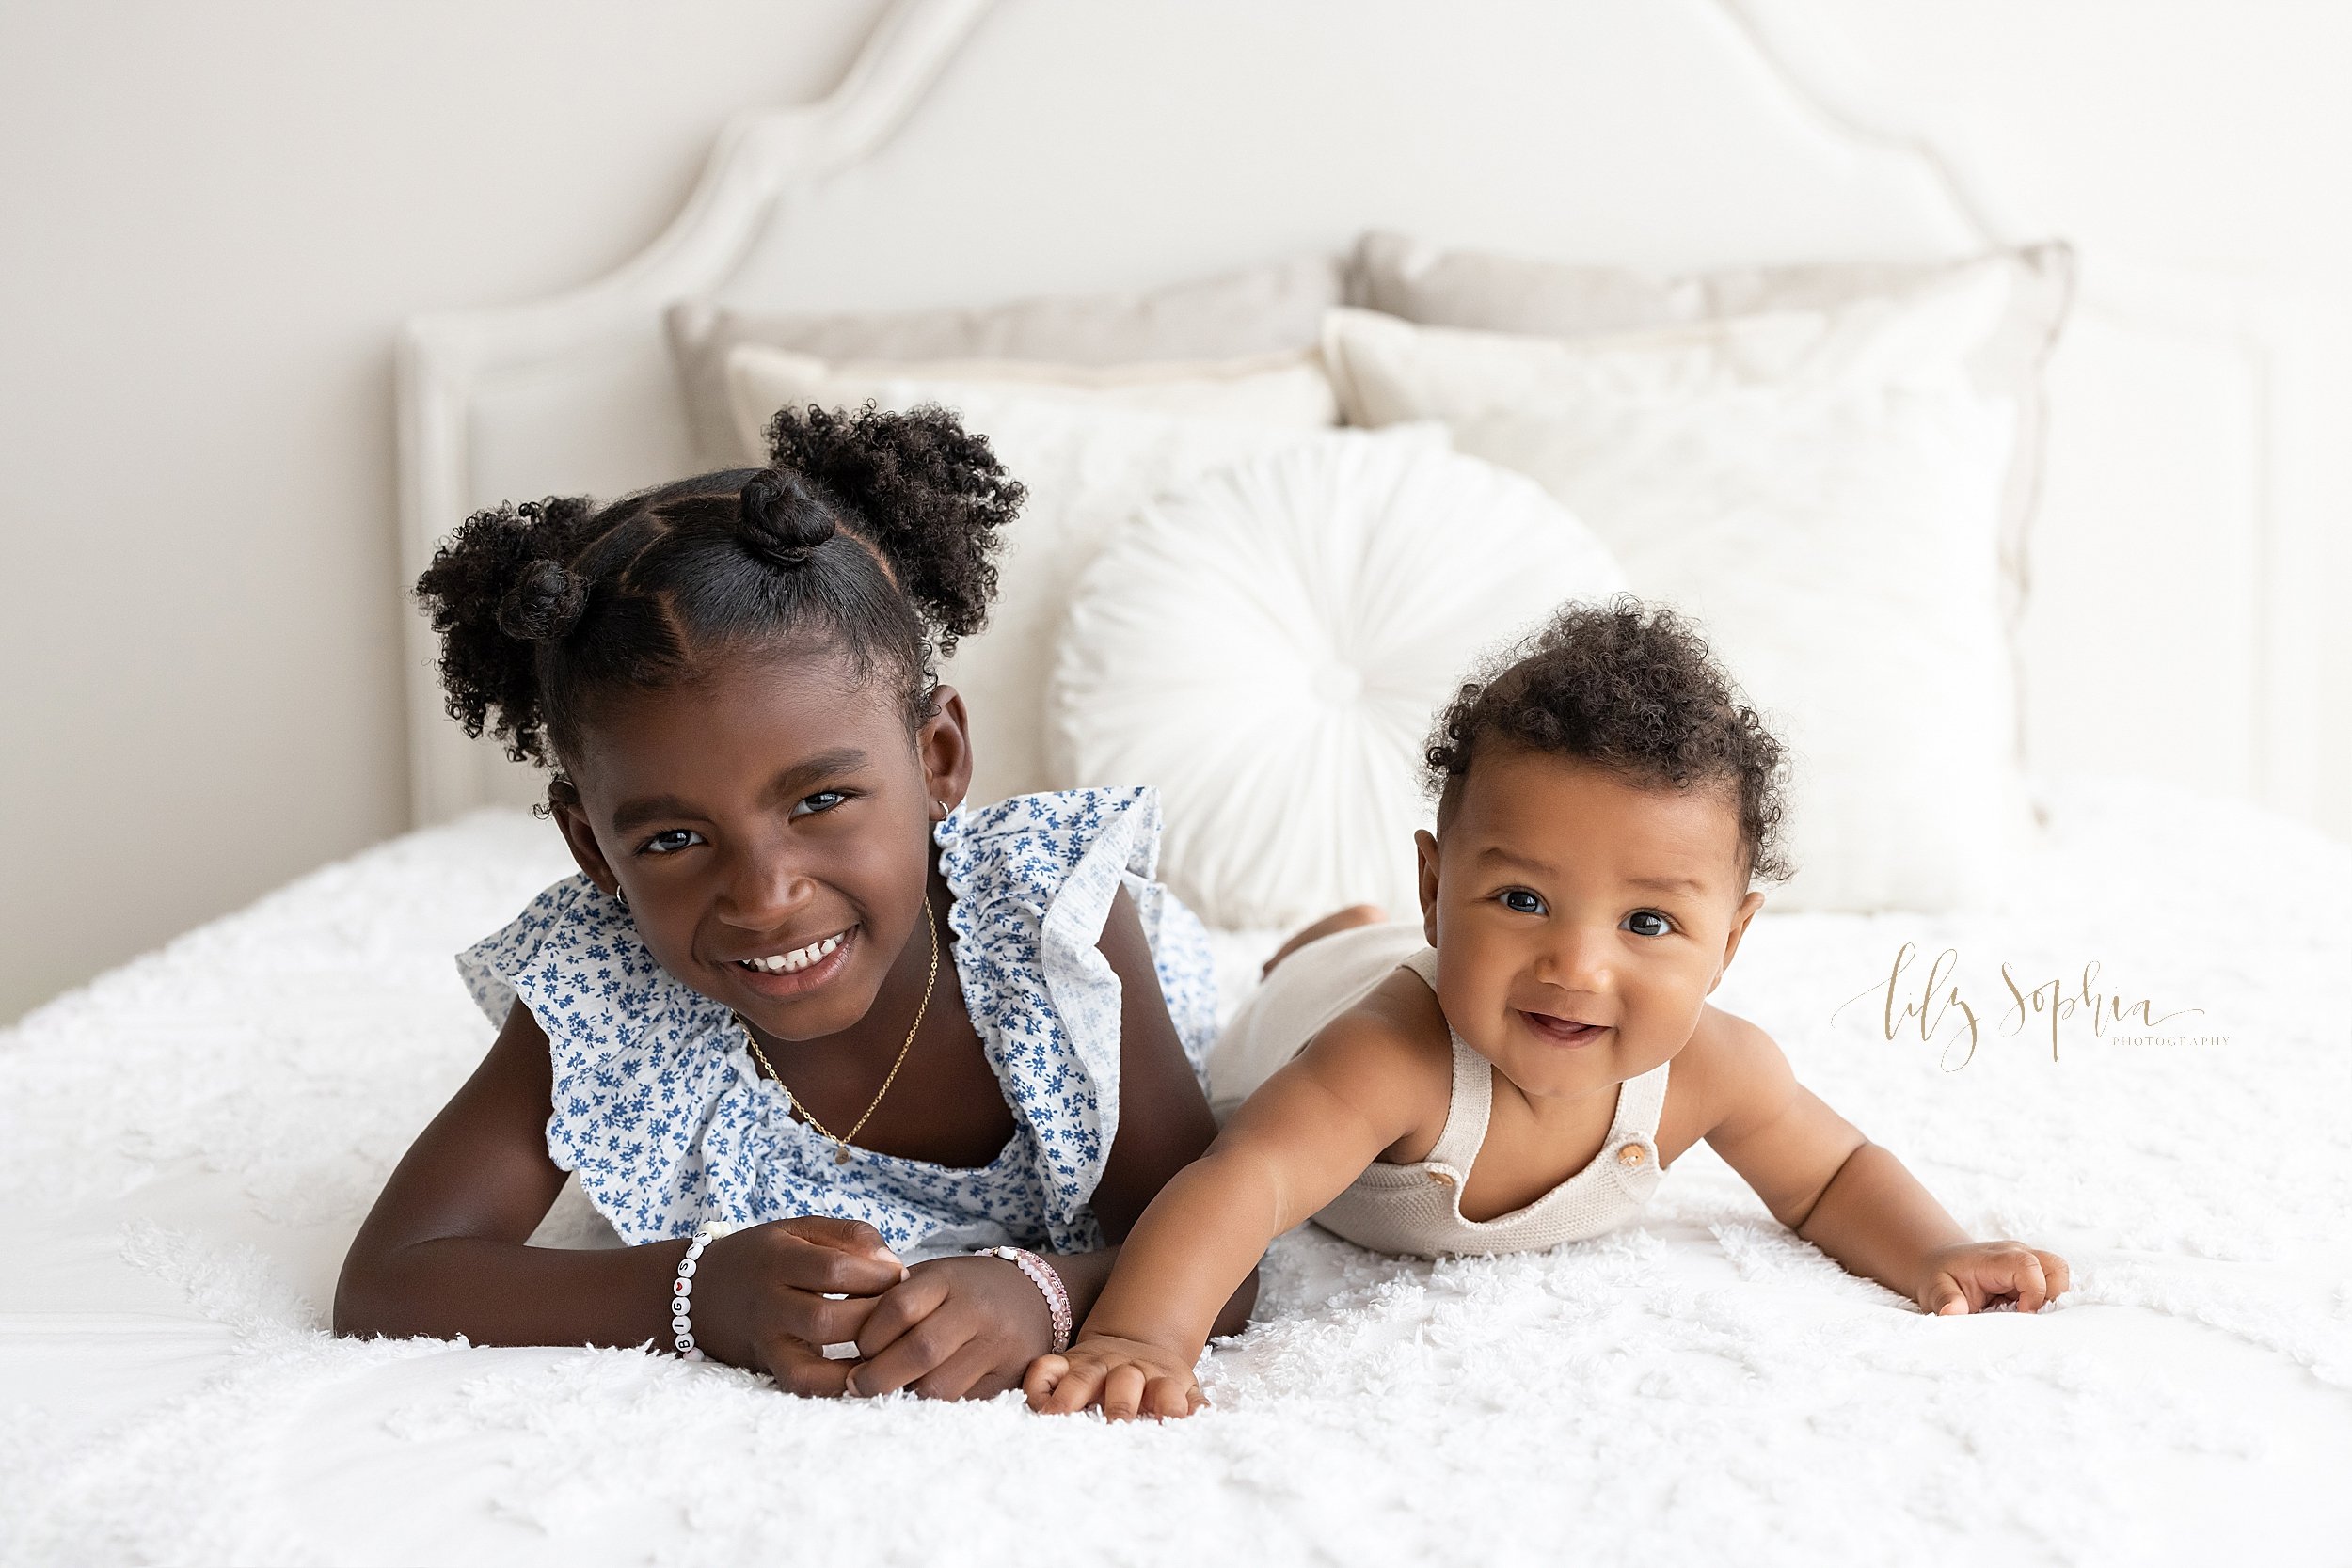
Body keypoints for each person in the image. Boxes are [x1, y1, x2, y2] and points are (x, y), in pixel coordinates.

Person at [334, 403, 1252, 1401]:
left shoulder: (1054, 922)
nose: (766, 896)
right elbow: (391, 1275)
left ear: (937, 758)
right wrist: (694, 1293)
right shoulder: (601, 988)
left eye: (821, 799)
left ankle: (1311, 947)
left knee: (1296, 1032)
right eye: (674, 839)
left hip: (1178, 994)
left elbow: (1227, 1257)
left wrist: (1048, 1290)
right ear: (592, 845)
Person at [1025, 598, 2072, 1421]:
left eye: (1649, 922)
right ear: (1436, 885)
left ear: (1732, 942)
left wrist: (1934, 1251)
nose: (1576, 965)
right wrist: (1143, 1339)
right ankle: (1331, 933)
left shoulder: (1715, 1067)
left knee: (1407, 943)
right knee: (1334, 959)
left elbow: (1832, 1173)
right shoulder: (1385, 1060)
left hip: (1436, 951)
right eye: (1522, 898)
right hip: (1318, 1006)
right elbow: (1237, 1187)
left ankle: (1374, 922)